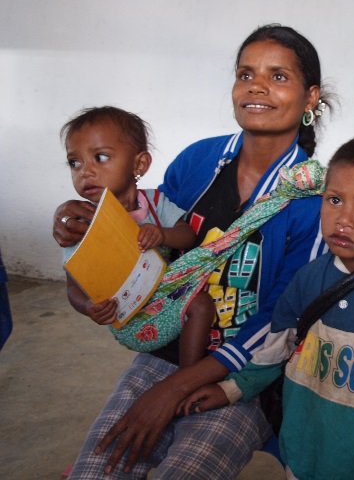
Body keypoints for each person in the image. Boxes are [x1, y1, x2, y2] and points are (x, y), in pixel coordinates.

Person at [52, 24, 332, 478]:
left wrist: (171, 391)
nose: (256, 85)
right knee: (94, 471)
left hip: (240, 378)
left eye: (278, 76)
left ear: (310, 97)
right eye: (246, 73)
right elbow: (143, 224)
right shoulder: (200, 160)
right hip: (167, 346)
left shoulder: (312, 200)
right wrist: (79, 220)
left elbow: (283, 320)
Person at [179, 135, 354, 480]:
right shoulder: (308, 278)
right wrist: (232, 388)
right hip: (301, 455)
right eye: (335, 200)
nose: (344, 219)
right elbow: (276, 348)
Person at [60, 106, 212, 368]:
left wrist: (163, 234)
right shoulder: (82, 226)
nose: (85, 171)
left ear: (139, 164)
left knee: (201, 304)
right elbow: (73, 287)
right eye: (75, 162)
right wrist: (89, 307)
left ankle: (186, 376)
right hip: (127, 318)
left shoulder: (154, 202)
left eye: (100, 157)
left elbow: (188, 236)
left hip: (164, 299)